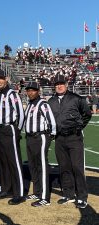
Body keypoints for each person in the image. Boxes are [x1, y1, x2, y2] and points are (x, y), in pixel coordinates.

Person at [48, 74, 92, 209]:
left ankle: (82, 196)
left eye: (61, 83)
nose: (59, 86)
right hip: (60, 138)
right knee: (64, 167)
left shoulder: (76, 98)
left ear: (66, 84)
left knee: (77, 167)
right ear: (54, 86)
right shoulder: (51, 101)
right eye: (56, 84)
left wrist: (79, 127)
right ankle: (68, 194)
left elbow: (87, 114)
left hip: (74, 138)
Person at [0, 69, 25, 205]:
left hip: (9, 128)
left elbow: (21, 114)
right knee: (3, 161)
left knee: (14, 161)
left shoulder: (12, 94)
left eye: (1, 78)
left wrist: (17, 130)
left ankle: (19, 193)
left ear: (6, 79)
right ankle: (6, 188)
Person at [24, 81, 56, 207]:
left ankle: (45, 197)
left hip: (40, 137)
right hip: (30, 138)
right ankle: (37, 192)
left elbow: (51, 120)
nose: (30, 92)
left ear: (38, 91)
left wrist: (50, 135)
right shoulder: (30, 104)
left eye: (33, 90)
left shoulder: (43, 104)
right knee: (33, 166)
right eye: (28, 90)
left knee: (42, 166)